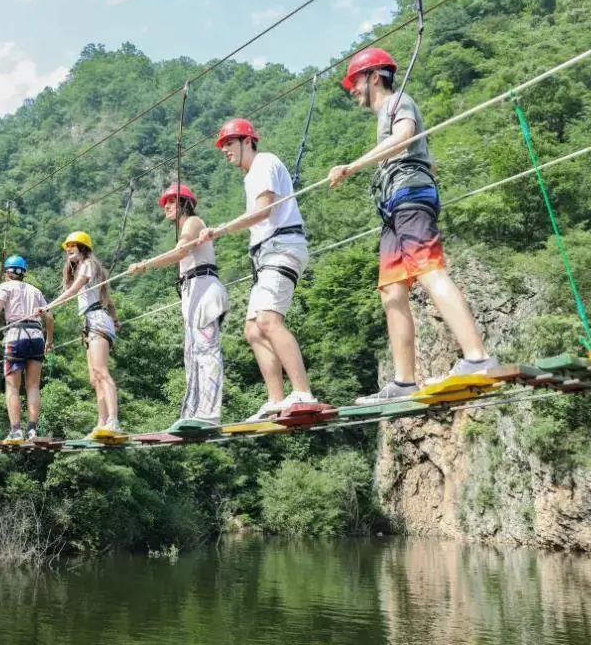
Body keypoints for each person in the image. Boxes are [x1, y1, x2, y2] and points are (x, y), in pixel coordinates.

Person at [328, 48, 497, 405]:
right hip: (394, 204)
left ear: (375, 77)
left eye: (355, 81)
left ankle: (478, 358)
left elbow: (404, 135)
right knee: (391, 289)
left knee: (428, 270)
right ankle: (404, 381)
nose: (352, 90)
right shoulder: (382, 116)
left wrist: (353, 166)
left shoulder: (397, 101)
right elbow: (422, 157)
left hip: (408, 196)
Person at [197, 118, 320, 422]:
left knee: (268, 321)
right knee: (253, 330)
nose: (225, 150)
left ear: (247, 141)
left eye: (230, 143)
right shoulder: (251, 175)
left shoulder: (264, 163)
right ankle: (277, 399)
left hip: (281, 248)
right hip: (267, 254)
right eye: (223, 145)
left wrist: (222, 229)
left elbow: (263, 210)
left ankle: (302, 391)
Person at [129, 184, 228, 428]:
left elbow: (181, 251)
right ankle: (195, 410)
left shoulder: (193, 222)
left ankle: (209, 412)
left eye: (172, 202)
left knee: (205, 352)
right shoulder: (186, 227)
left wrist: (147, 264)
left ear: (185, 203)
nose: (167, 207)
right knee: (192, 356)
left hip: (203, 288)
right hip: (192, 291)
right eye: (165, 204)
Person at [41, 231, 122, 437]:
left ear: (83, 247)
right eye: (67, 247)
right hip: (93, 320)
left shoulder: (88, 264)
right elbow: (108, 300)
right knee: (94, 377)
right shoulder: (91, 271)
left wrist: (49, 306)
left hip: (96, 319)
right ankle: (102, 422)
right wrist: (115, 319)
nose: (69, 249)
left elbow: (75, 290)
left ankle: (113, 421)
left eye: (73, 246)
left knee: (101, 372)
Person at [0, 255, 56, 441]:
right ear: (23, 272)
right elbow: (49, 318)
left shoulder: (6, 286)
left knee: (13, 387)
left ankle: (16, 431)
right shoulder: (35, 290)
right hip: (37, 337)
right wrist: (49, 341)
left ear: (7, 272)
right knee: (33, 386)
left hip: (16, 335)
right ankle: (32, 430)